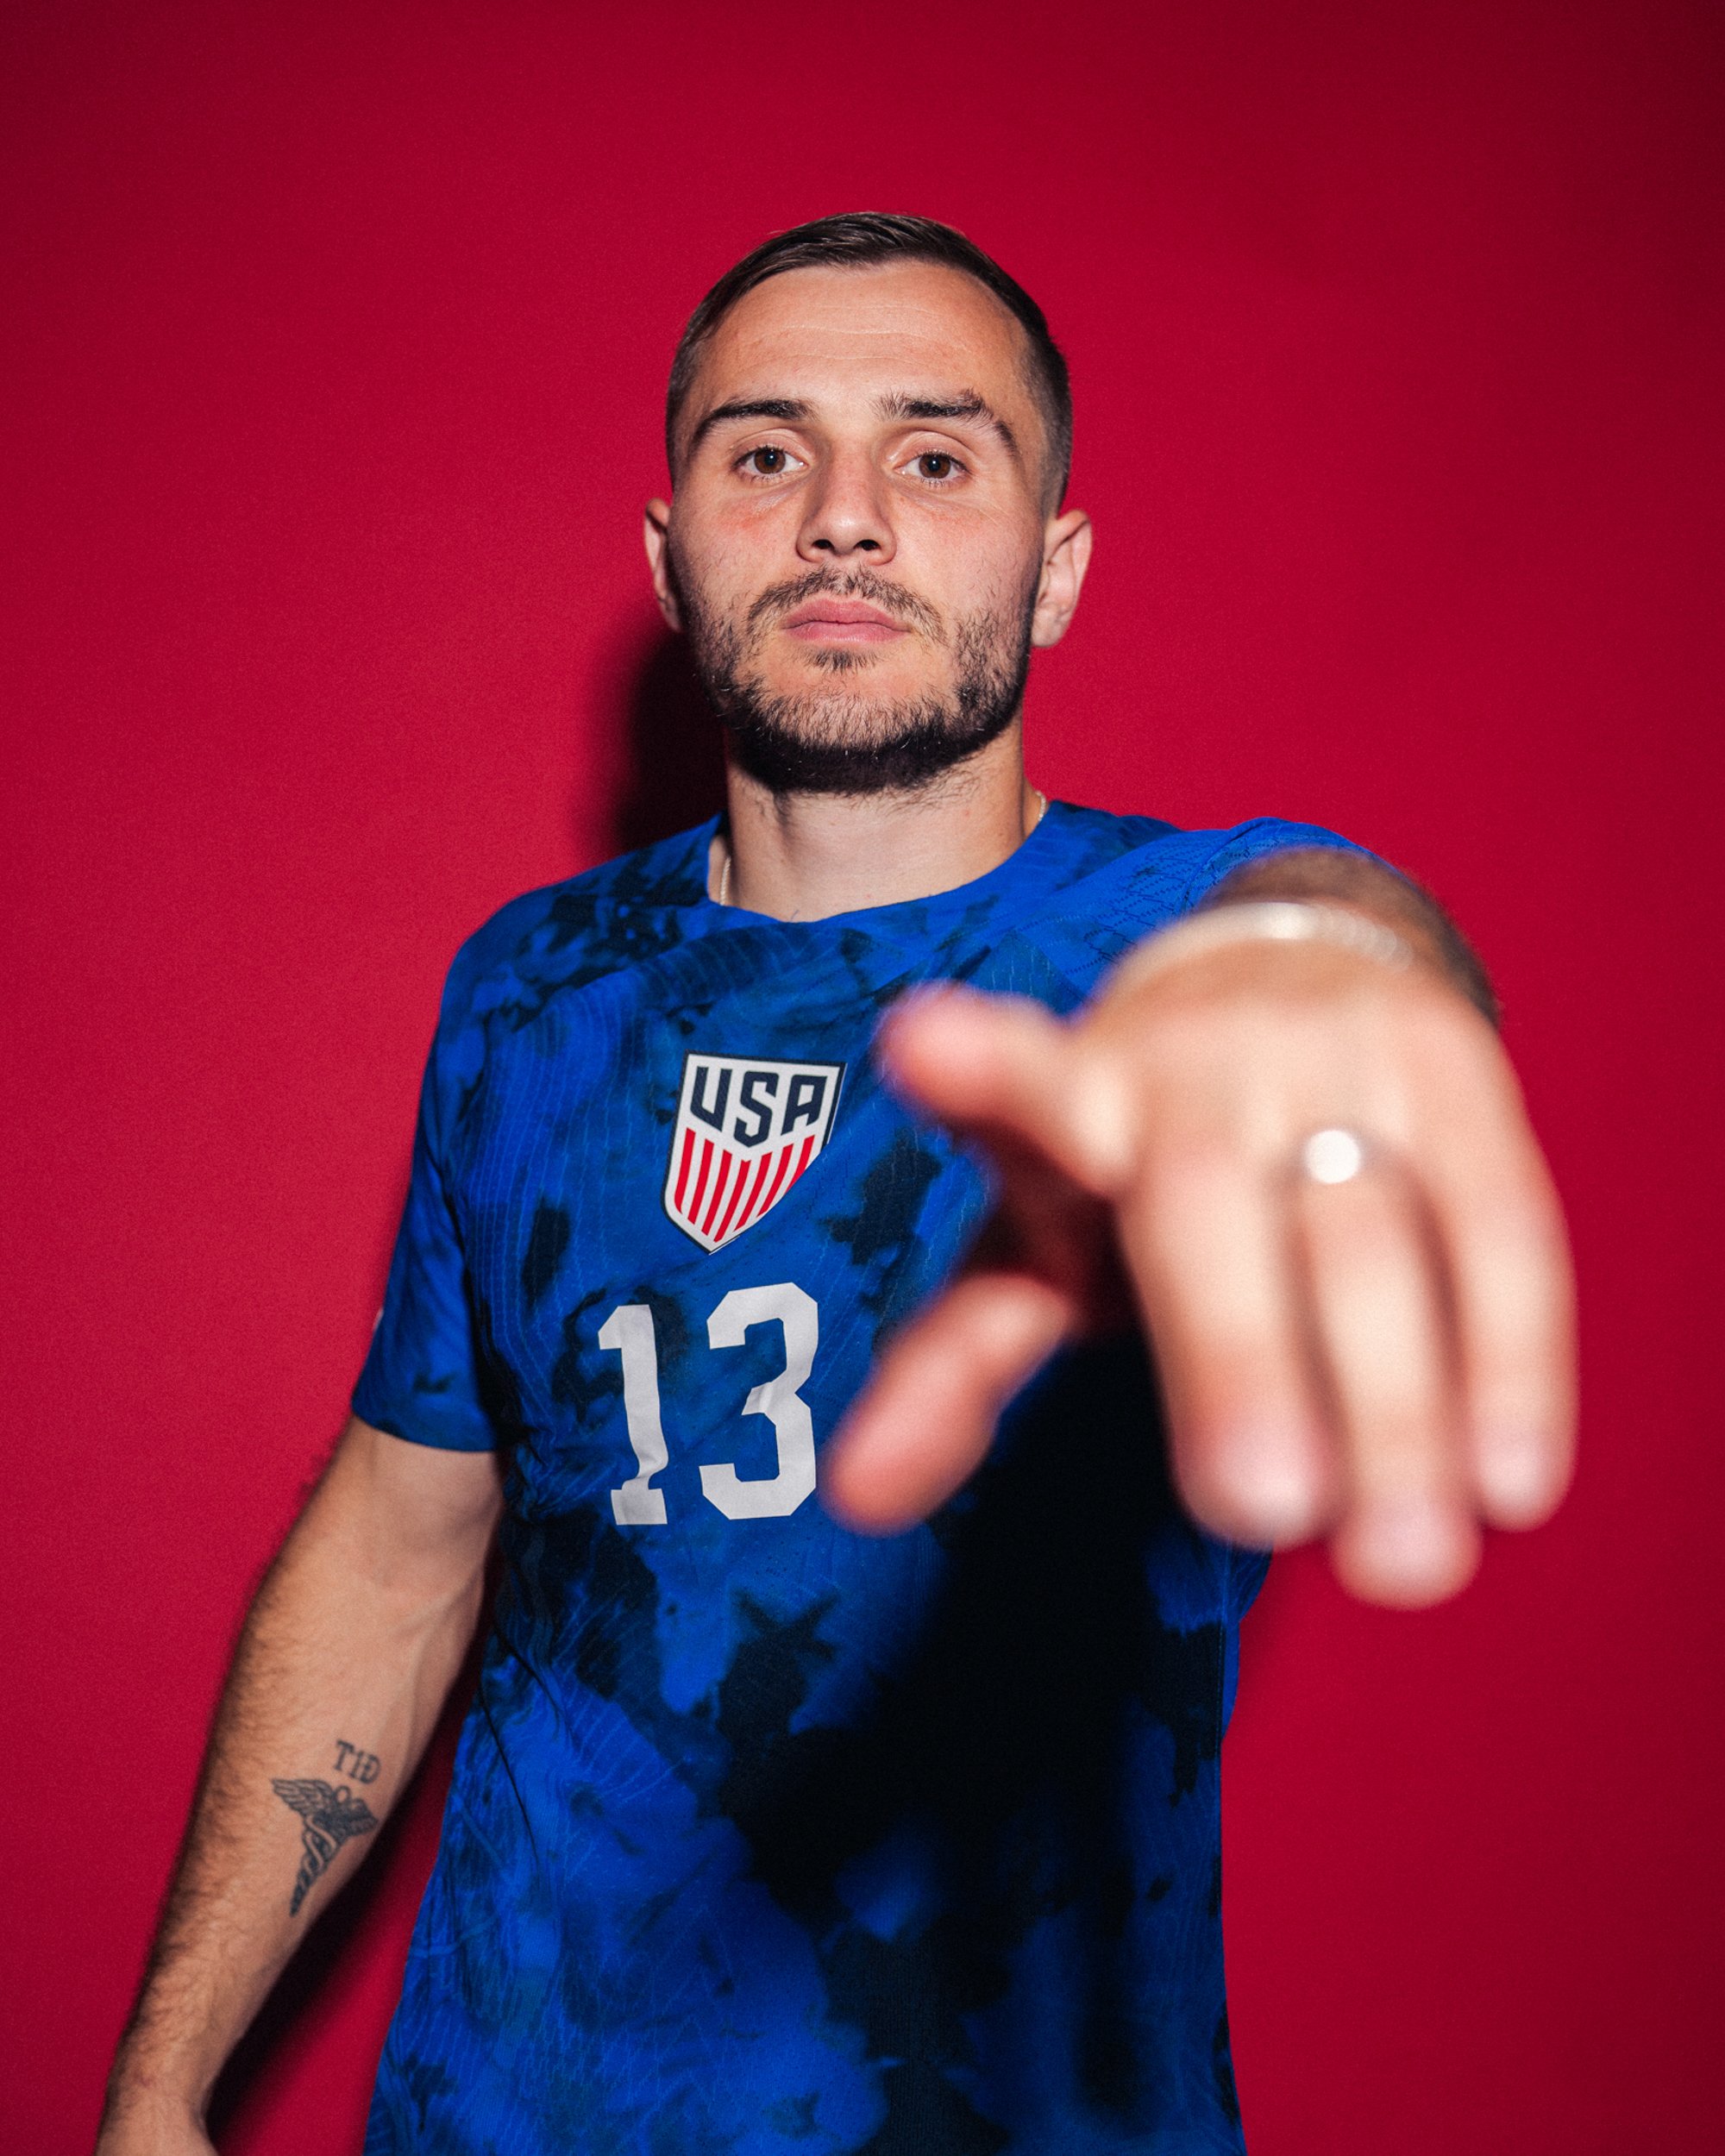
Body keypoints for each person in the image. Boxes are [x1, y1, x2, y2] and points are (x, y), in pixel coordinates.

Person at [98, 213, 1574, 2156]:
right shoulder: (529, 989)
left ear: (1051, 574)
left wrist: (1349, 997)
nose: (845, 517)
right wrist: (160, 2085)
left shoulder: (1172, 938)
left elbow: (1340, 938)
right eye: (767, 450)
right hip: (505, 2109)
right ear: (671, 553)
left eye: (937, 454)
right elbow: (400, 1537)